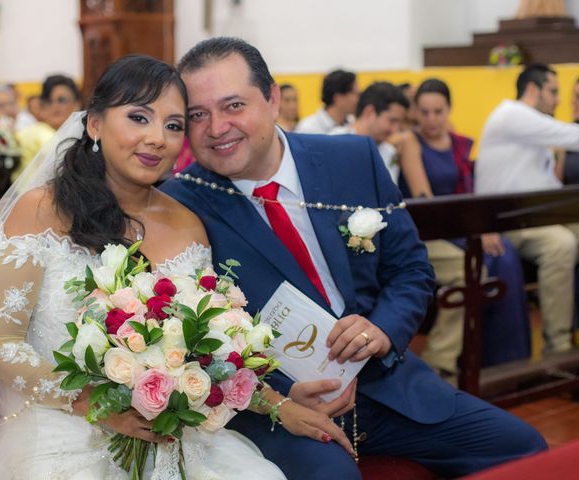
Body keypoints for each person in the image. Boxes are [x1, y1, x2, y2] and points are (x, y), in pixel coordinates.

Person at [161, 36, 547, 480]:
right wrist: (281, 397)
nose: (216, 128)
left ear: (272, 99)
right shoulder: (180, 204)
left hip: (387, 384)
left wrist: (382, 329)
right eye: (197, 115)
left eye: (233, 106)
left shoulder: (351, 158)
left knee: (527, 451)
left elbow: (411, 270)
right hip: (278, 410)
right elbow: (186, 338)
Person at [0, 55, 285, 480]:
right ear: (94, 124)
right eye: (139, 117)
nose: (157, 138)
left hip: (173, 432)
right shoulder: (41, 211)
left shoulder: (187, 223)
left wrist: (275, 403)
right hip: (62, 425)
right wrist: (96, 403)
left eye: (174, 125)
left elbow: (212, 343)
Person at [396, 78, 531, 372]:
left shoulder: (456, 141)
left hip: (461, 223)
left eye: (438, 111)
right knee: (481, 261)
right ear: (415, 112)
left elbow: (470, 190)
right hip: (432, 229)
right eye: (425, 112)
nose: (432, 119)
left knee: (505, 253)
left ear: (448, 110)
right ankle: (449, 361)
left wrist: (483, 227)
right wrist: (474, 230)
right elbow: (427, 203)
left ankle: (503, 359)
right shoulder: (410, 142)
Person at [475, 63, 579, 354]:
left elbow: (547, 184)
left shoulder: (529, 126)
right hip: (502, 221)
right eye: (554, 91)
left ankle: (571, 330)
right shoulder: (513, 114)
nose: (558, 99)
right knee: (561, 244)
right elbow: (572, 136)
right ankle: (557, 347)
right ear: (533, 90)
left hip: (530, 216)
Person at [331, 81, 409, 183]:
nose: (395, 130)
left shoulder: (389, 151)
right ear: (369, 112)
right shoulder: (333, 143)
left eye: (399, 123)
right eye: (392, 120)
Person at [15, 74, 82, 176]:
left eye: (62, 100)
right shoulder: (34, 133)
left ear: (77, 104)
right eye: (49, 100)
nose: (55, 106)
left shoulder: (87, 135)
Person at [295, 69, 358, 133]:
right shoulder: (307, 129)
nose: (359, 99)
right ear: (338, 98)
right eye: (355, 94)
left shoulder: (355, 125)